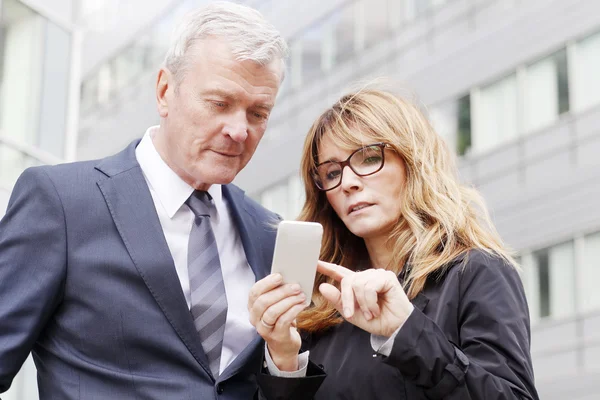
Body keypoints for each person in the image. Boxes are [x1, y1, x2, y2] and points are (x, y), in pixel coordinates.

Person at [0, 2, 300, 399]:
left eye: (258, 113)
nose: (239, 130)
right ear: (164, 91)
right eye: (219, 103)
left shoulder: (268, 233)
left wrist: (287, 364)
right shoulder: (62, 204)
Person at [248, 89, 540, 399]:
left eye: (369, 157)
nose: (347, 182)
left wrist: (407, 331)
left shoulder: (476, 272)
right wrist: (283, 360)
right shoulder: (319, 303)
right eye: (332, 172)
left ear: (413, 161)